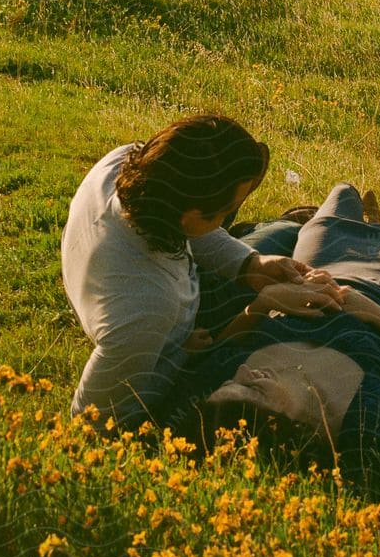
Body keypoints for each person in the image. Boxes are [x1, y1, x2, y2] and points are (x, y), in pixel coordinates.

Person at [61, 114, 341, 427]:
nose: (224, 221)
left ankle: (294, 224)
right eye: (225, 212)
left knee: (277, 242)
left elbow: (189, 227)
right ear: (192, 215)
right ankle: (309, 224)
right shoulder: (147, 311)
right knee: (286, 332)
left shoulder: (123, 163)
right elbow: (92, 420)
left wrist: (250, 263)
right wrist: (177, 354)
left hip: (170, 299)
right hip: (171, 328)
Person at [177, 183, 380, 453]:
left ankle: (372, 225)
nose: (243, 372)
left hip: (319, 272)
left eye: (231, 381)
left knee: (342, 193)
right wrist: (377, 316)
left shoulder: (222, 395)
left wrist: (264, 303)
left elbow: (219, 349)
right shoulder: (361, 416)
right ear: (281, 424)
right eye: (254, 389)